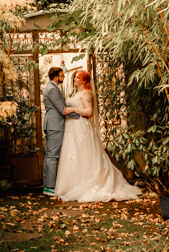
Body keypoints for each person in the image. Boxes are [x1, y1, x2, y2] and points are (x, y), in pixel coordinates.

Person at [54, 70, 141, 202]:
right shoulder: (76, 93)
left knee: (84, 155)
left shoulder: (87, 94)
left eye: (77, 78)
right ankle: (72, 185)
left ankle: (89, 182)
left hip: (81, 126)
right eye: (75, 78)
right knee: (73, 155)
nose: (75, 80)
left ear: (84, 80)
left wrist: (72, 109)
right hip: (72, 128)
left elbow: (89, 112)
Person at [42, 67, 78, 196]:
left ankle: (47, 186)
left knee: (49, 155)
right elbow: (62, 109)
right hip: (55, 125)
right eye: (62, 76)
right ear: (56, 77)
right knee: (52, 156)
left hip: (53, 124)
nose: (63, 78)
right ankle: (50, 187)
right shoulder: (52, 89)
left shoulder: (52, 87)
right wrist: (80, 116)